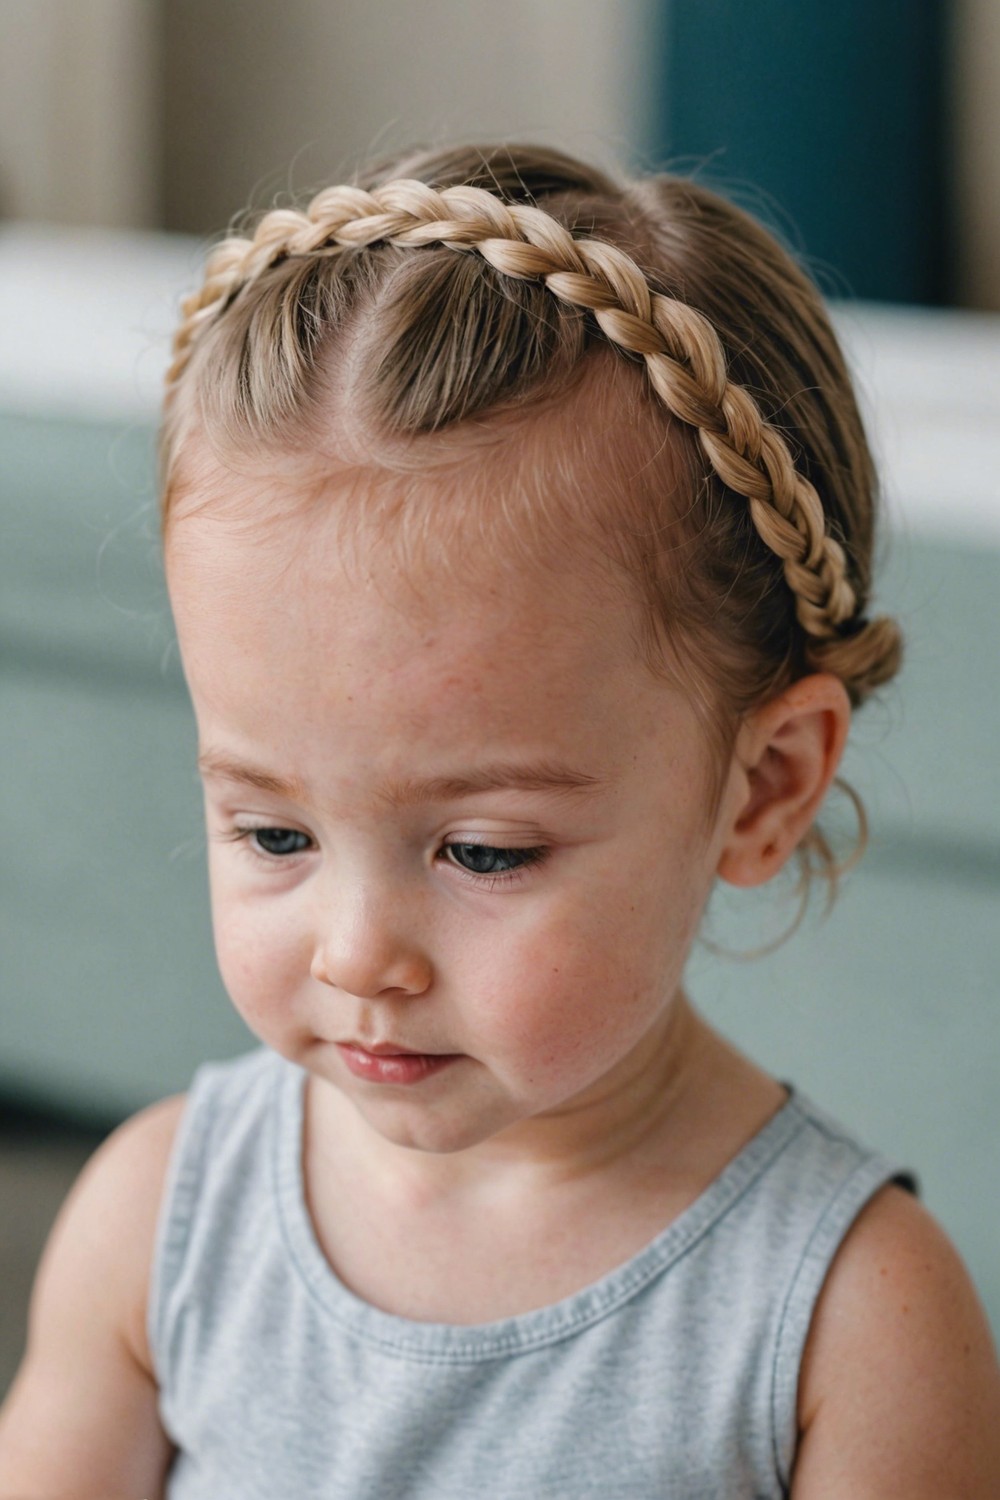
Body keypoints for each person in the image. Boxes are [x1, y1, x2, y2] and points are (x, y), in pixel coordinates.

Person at [1, 143, 998, 1500]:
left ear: (763, 788)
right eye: (273, 834)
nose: (359, 953)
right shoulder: (160, 1224)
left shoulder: (851, 1325)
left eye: (483, 852)